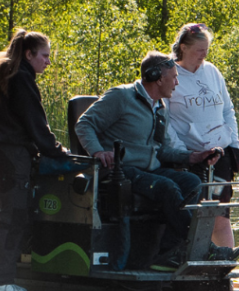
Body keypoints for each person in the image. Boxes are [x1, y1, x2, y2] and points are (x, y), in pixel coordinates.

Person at [75, 51, 221, 271]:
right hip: (121, 171)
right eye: (174, 77)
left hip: (147, 172)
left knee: (192, 182)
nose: (177, 82)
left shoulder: (160, 108)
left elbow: (161, 150)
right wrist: (97, 152)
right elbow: (84, 124)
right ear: (158, 78)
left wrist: (192, 157)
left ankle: (167, 252)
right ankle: (203, 248)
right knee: (167, 187)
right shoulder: (121, 97)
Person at [0, 28, 68, 291]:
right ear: (29, 54)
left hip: (6, 154)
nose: (48, 61)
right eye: (44, 55)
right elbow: (36, 124)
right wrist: (58, 152)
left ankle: (5, 282)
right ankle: (1, 285)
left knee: (13, 216)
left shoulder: (12, 76)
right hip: (13, 157)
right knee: (12, 217)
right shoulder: (22, 79)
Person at [166, 22, 239, 260]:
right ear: (183, 48)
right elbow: (165, 120)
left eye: (207, 49)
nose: (204, 54)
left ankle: (225, 265)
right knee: (195, 215)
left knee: (220, 212)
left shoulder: (212, 71)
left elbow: (227, 109)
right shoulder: (170, 74)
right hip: (191, 158)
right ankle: (195, 263)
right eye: (200, 49)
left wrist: (233, 142)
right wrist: (182, 153)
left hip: (220, 154)